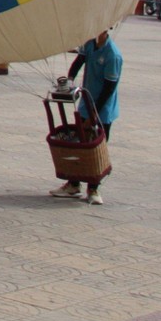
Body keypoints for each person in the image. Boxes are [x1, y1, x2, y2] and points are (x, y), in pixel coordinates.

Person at [49, 28, 121, 205]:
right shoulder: (89, 43)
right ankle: (73, 184)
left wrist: (93, 116)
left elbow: (108, 90)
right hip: (85, 105)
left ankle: (94, 188)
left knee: (95, 147)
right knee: (77, 144)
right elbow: (78, 62)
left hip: (103, 110)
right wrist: (69, 82)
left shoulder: (113, 55)